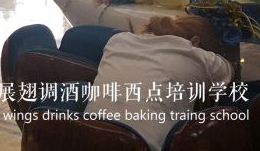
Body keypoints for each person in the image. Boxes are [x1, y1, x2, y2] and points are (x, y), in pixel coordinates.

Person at [85, 15, 235, 150]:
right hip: (144, 146)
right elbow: (230, 72)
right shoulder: (197, 55)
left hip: (85, 136)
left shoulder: (117, 40)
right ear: (195, 41)